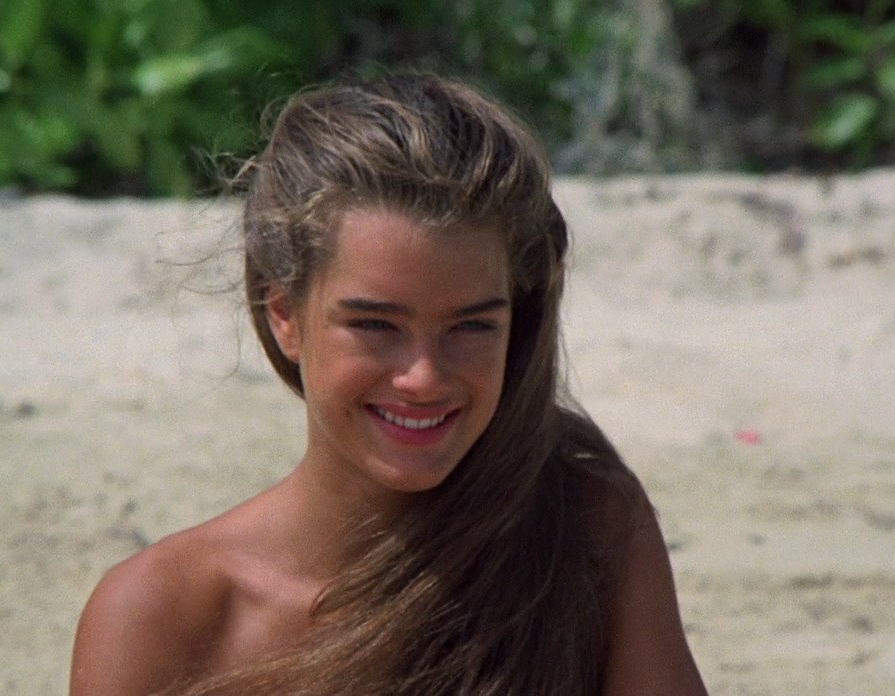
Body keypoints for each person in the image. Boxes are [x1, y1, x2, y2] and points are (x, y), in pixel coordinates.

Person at [70, 73, 706, 695]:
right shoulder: (159, 616)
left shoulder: (583, 531)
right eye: (375, 325)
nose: (423, 377)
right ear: (283, 313)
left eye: (472, 327)